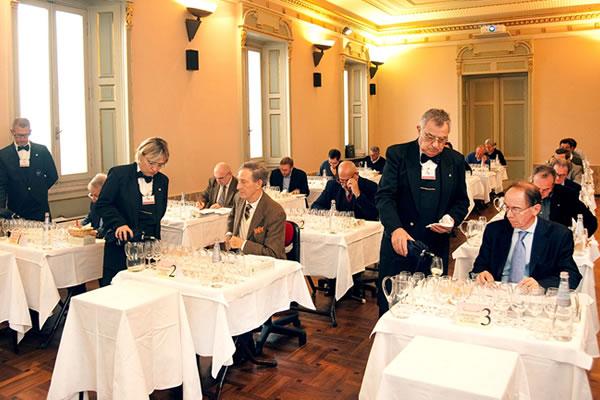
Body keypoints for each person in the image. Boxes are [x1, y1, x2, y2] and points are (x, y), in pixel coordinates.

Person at [376, 108, 469, 315]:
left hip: (435, 247)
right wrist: (396, 229)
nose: (436, 145)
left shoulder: (455, 160)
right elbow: (384, 197)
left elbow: (462, 201)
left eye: (442, 140)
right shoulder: (398, 154)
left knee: (432, 307)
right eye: (430, 137)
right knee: (392, 306)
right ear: (419, 129)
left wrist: (451, 219)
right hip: (401, 243)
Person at [473, 181, 581, 289]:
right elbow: (479, 267)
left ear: (536, 209)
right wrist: (482, 274)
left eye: (516, 209)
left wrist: (541, 284)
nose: (509, 215)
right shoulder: (494, 230)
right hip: (498, 293)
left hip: (534, 297)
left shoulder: (558, 235)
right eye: (506, 207)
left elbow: (572, 277)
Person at [95, 137, 170, 286]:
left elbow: (159, 211)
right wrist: (119, 224)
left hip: (149, 246)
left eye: (160, 165)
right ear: (141, 156)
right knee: (116, 290)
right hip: (122, 244)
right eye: (152, 163)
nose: (155, 169)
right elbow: (103, 204)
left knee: (147, 289)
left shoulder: (162, 180)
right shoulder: (119, 174)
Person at [0, 118, 58, 221]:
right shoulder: (3, 155)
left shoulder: (42, 151)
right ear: (12, 132)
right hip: (16, 209)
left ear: (30, 132)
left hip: (40, 208)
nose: (22, 139)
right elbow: (1, 185)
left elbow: (53, 176)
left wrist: (39, 189)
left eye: (25, 135)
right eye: (19, 135)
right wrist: (2, 210)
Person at [226, 162, 286, 259]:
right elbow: (232, 216)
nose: (238, 187)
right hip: (238, 260)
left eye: (244, 182)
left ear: (258, 184)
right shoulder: (239, 198)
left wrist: (243, 244)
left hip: (264, 265)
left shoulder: (275, 212)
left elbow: (273, 253)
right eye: (238, 181)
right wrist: (229, 233)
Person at [531, 165, 596, 236]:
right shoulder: (524, 195)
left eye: (546, 189)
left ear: (553, 185)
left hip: (556, 242)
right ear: (531, 182)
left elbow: (590, 222)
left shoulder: (566, 195)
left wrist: (578, 240)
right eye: (537, 188)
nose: (541, 192)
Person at [311, 161, 378, 221]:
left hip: (363, 229)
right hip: (339, 226)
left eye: (347, 180)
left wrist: (358, 194)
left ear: (356, 175)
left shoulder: (370, 186)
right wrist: (331, 214)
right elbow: (315, 206)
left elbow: (374, 214)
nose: (344, 185)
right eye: (341, 181)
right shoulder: (333, 185)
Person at [81, 173, 107, 237]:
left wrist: (95, 232)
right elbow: (89, 217)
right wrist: (81, 225)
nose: (93, 199)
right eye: (91, 195)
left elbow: (108, 229)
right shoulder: (94, 202)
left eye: (96, 195)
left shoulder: (114, 206)